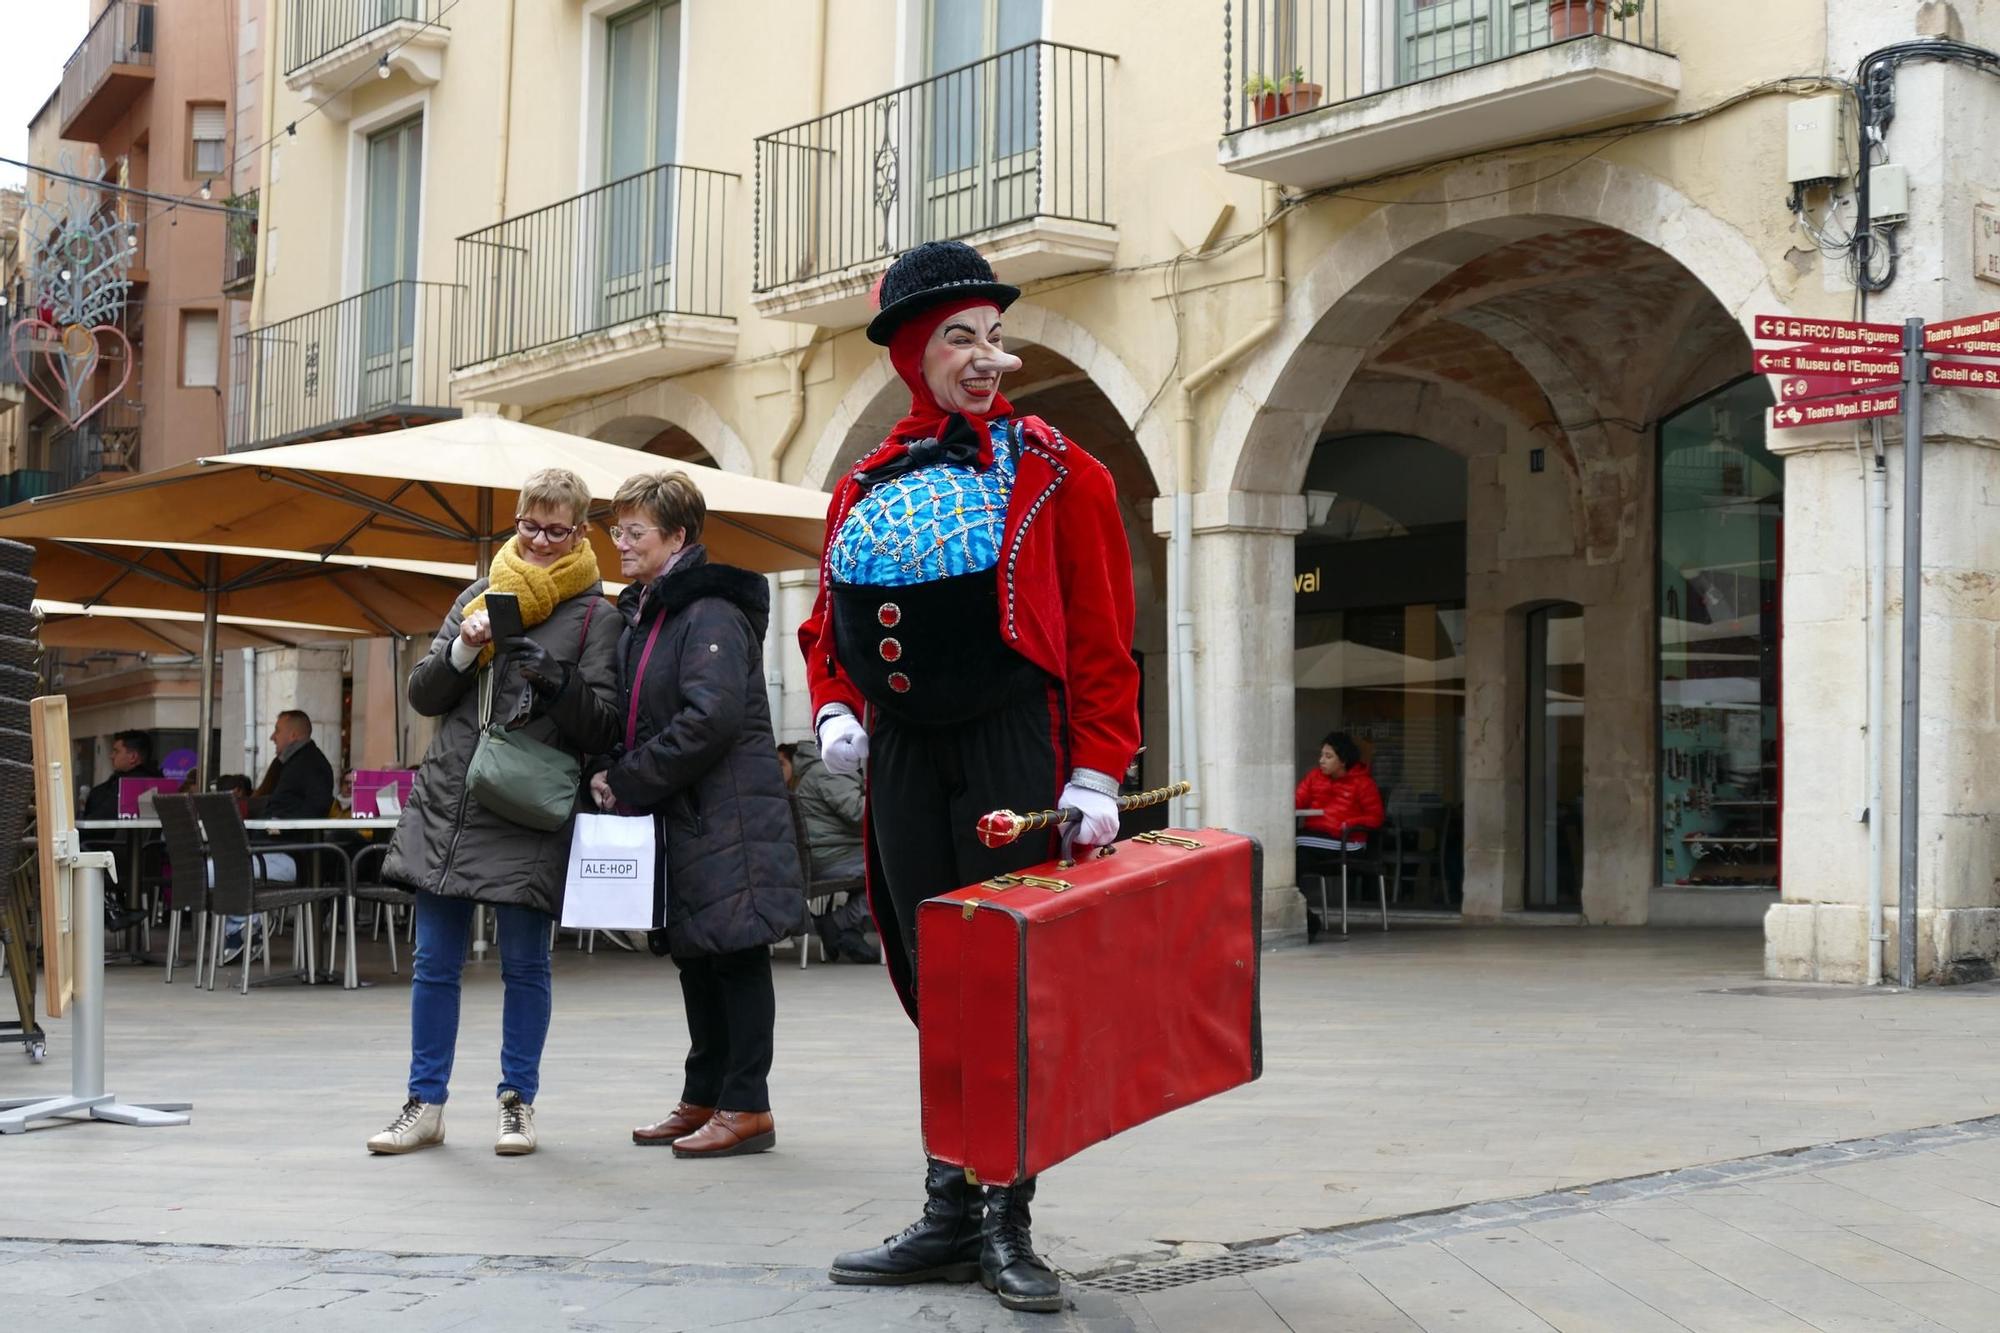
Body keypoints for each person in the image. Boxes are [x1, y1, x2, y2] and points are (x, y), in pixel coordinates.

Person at [802, 240, 1140, 1314]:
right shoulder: (862, 479)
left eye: (992, 335)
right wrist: (834, 707)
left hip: (1010, 737)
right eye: (959, 337)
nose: (985, 356)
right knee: (928, 969)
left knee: (1005, 978)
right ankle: (948, 1203)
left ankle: (1007, 1217)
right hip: (902, 749)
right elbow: (827, 622)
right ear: (911, 352)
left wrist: (1094, 767)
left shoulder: (1055, 471)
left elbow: (1101, 634)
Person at [368, 467, 622, 1158]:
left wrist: (554, 676)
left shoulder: (599, 615)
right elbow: (425, 694)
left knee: (525, 964)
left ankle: (518, 1102)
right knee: (433, 961)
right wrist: (465, 647)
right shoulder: (479, 593)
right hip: (453, 795)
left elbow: (603, 724)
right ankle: (424, 1104)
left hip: (529, 800)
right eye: (529, 526)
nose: (540, 541)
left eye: (556, 529)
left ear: (581, 532)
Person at [595, 471, 803, 1160]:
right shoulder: (653, 613)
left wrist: (628, 779)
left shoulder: (708, 612)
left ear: (677, 537)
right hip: (688, 815)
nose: (620, 543)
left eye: (634, 531)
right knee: (698, 960)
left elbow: (708, 719)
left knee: (736, 954)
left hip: (727, 816)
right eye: (617, 529)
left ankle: (748, 1105)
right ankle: (705, 1094)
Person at [777, 739, 876, 964]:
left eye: (781, 764)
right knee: (895, 871)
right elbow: (859, 813)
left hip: (826, 856)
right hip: (832, 857)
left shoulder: (814, 773)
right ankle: (838, 923)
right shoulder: (826, 771)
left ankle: (850, 934)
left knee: (879, 867)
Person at [1294, 731, 1386, 942]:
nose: (1321, 761)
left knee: (1294, 844)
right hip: (1315, 839)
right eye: (1321, 755)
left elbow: (1376, 817)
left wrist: (1351, 823)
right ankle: (1307, 920)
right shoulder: (1314, 777)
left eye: (1328, 756)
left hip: (1348, 841)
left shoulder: (1363, 783)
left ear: (1342, 760)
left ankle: (1306, 919)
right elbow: (1297, 800)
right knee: (1296, 861)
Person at [249, 711, 336, 821]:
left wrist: (278, 824)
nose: (272, 737)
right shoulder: (288, 763)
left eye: (277, 730)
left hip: (285, 836)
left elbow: (317, 808)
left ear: (293, 735)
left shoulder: (311, 764)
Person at [80, 730, 163, 821]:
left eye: (116, 751)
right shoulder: (159, 783)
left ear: (133, 757)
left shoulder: (126, 786)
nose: (111, 756)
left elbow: (102, 818)